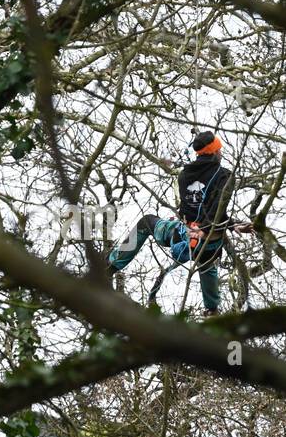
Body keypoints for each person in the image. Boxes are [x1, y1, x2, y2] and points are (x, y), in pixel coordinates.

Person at [107, 131, 251, 315]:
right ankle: (212, 309)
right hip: (208, 243)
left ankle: (111, 266)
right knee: (207, 266)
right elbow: (216, 212)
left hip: (182, 236)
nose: (221, 153)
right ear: (215, 152)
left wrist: (229, 225)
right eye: (220, 150)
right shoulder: (224, 176)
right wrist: (224, 226)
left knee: (146, 222)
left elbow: (194, 210)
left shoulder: (184, 175)